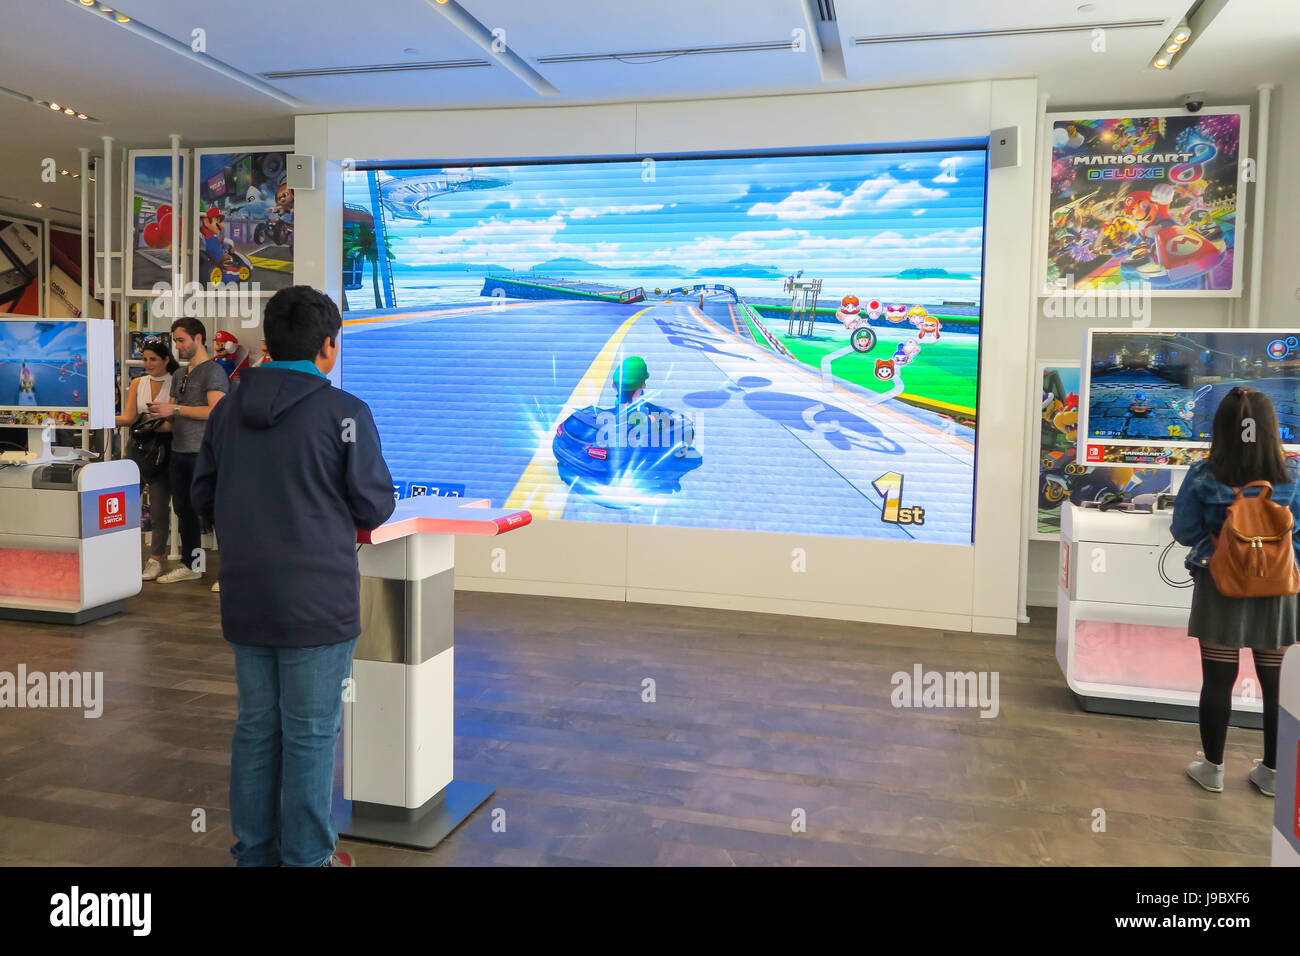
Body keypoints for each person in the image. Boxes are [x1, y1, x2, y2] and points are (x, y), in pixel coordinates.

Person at [192, 285, 395, 867]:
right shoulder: (345, 413)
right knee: (309, 732)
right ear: (328, 346)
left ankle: (254, 854)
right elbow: (373, 506)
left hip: (247, 593)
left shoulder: (228, 409)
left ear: (266, 341)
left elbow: (203, 494)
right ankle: (308, 857)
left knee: (256, 728)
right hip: (317, 600)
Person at [1172, 386, 1298, 797]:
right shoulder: (1293, 475)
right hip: (1279, 589)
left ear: (1221, 428)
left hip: (1220, 582)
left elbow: (1185, 531)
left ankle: (1213, 769)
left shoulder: (1203, 473)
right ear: (1272, 428)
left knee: (1218, 679)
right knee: (1276, 682)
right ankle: (1275, 774)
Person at [149, 318, 228, 584]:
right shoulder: (181, 375)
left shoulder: (213, 372)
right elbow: (173, 415)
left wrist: (175, 410)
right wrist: (154, 420)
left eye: (181, 340)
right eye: (175, 340)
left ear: (198, 338)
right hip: (179, 451)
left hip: (205, 453)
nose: (177, 346)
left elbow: (216, 411)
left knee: (217, 512)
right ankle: (193, 565)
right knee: (184, 510)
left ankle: (230, 574)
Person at [115, 340, 176, 580]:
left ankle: (156, 560)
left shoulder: (175, 381)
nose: (147, 364)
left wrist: (154, 427)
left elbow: (172, 423)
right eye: (145, 359)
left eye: (153, 359)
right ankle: (123, 555)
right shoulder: (137, 382)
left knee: (160, 509)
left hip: (162, 452)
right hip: (136, 450)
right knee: (127, 506)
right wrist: (101, 416)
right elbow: (129, 418)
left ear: (165, 360)